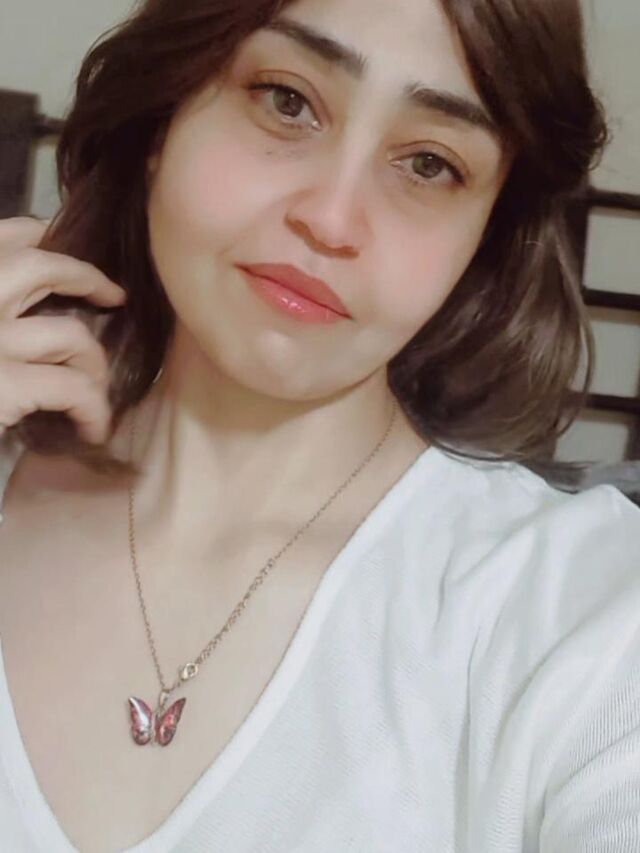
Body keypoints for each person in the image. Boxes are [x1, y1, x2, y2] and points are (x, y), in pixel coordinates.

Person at [0, 0, 638, 850]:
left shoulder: (584, 609)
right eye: (287, 100)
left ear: (485, 233)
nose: (331, 220)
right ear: (162, 118)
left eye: (429, 164)